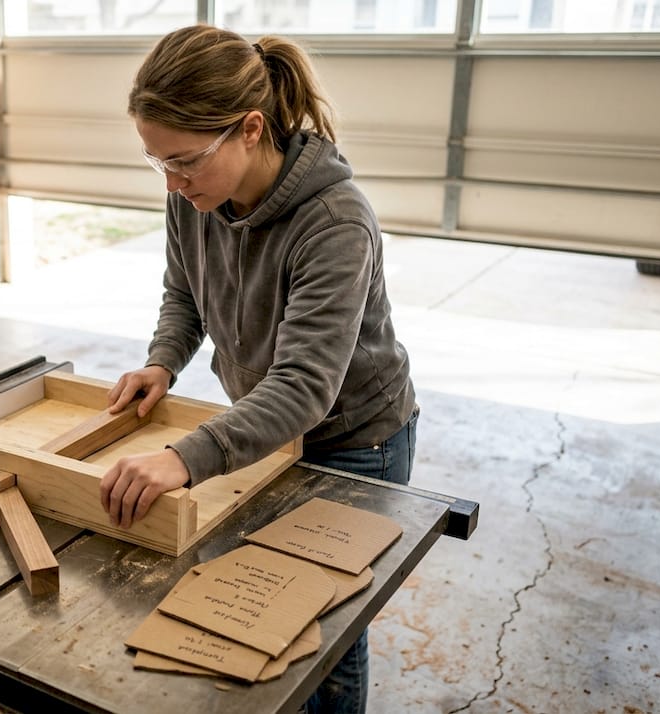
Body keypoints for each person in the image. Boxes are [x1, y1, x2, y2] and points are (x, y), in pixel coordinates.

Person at [98, 24, 419, 714]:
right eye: (158, 164)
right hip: (266, 424)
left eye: (183, 161)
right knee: (258, 607)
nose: (174, 183)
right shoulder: (195, 194)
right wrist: (164, 362)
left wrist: (184, 458)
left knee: (323, 620)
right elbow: (185, 291)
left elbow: (305, 386)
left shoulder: (335, 221)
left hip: (351, 439)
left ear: (248, 129)